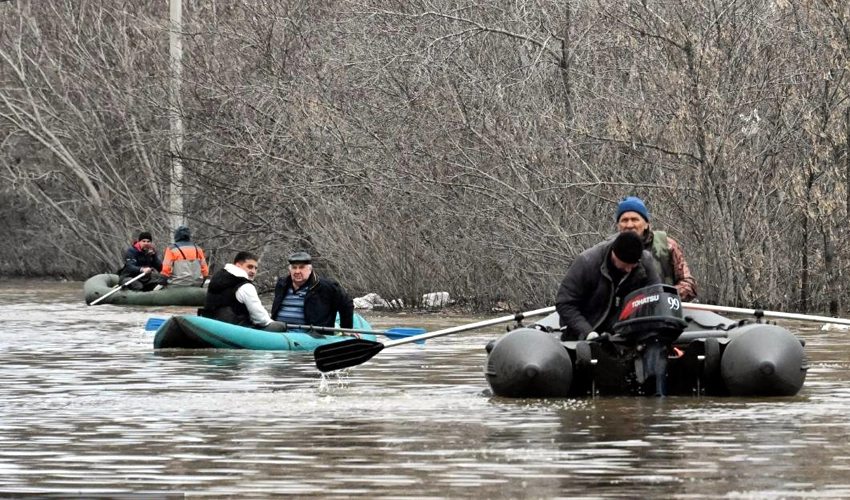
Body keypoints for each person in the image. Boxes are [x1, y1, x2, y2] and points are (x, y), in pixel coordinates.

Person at [555, 231, 661, 341]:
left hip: (623, 334)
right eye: (625, 265)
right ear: (614, 254)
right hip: (584, 333)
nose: (629, 270)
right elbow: (564, 303)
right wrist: (587, 332)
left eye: (633, 266)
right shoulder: (586, 262)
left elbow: (656, 296)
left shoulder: (644, 262)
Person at [616, 196, 698, 302]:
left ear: (646, 224)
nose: (630, 225)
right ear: (618, 226)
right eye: (624, 220)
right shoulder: (610, 250)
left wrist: (663, 296)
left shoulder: (667, 245)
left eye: (635, 219)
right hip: (624, 314)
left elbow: (689, 284)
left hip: (662, 311)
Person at [201, 251, 287, 331]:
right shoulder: (246, 287)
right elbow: (261, 319)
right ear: (238, 266)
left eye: (255, 268)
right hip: (234, 331)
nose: (253, 271)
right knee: (279, 326)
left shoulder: (217, 278)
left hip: (210, 327)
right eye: (250, 267)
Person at [270, 251, 355, 330]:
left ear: (309, 270)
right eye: (294, 267)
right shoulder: (282, 285)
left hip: (310, 335)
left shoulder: (325, 287)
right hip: (280, 332)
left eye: (302, 267)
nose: (297, 271)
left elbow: (346, 303)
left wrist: (346, 328)